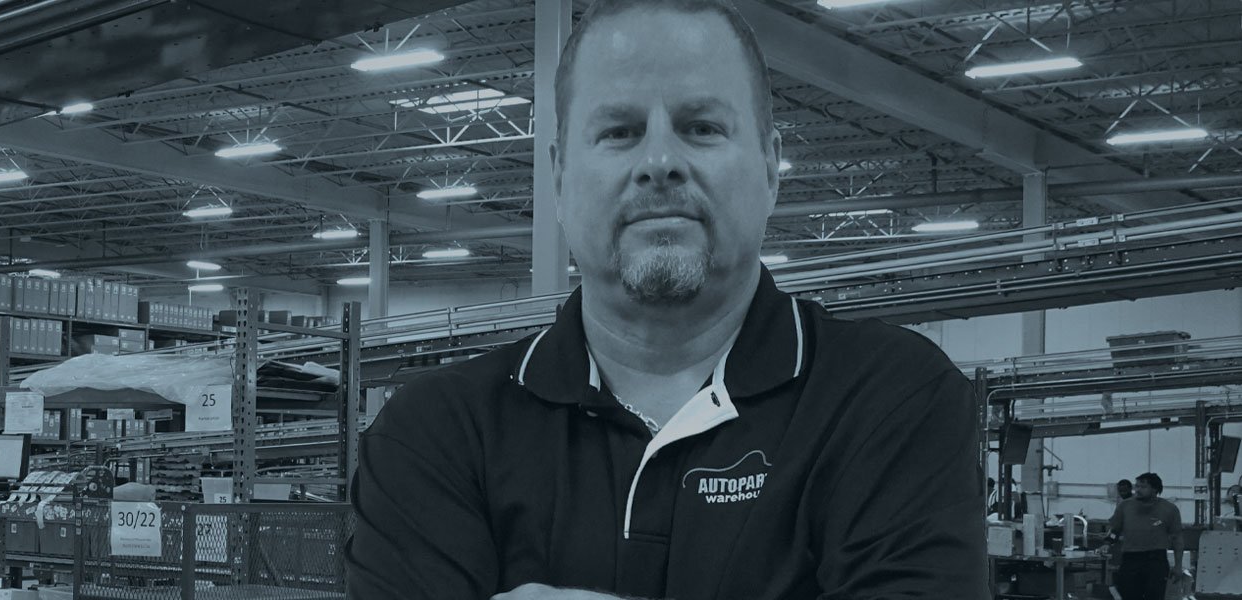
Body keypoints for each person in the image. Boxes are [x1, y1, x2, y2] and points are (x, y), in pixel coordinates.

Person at [343, 1, 984, 598]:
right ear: (560, 177)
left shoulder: (893, 401)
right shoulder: (435, 432)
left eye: (701, 127)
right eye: (620, 131)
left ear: (769, 166)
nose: (658, 161)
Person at [1111, 473, 1182, 600]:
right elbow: (1114, 530)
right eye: (1136, 486)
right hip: (1130, 560)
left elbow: (1177, 538)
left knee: (1154, 596)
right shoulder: (1125, 506)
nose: (1137, 490)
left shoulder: (1169, 509)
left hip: (1156, 560)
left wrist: (1178, 566)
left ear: (1155, 489)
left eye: (1143, 487)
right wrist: (1107, 542)